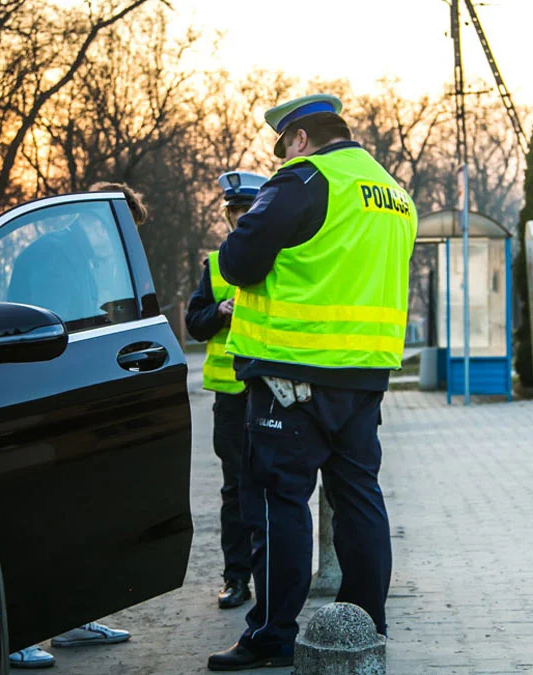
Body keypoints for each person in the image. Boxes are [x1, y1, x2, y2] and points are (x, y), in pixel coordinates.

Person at [207, 94, 417, 671]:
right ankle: (363, 626)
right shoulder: (393, 194)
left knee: (280, 504)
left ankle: (271, 638)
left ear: (299, 138)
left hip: (290, 375)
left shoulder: (301, 180)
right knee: (359, 499)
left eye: (282, 146)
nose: (279, 158)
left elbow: (237, 263)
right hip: (364, 376)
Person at [7, 181, 148, 670]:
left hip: (71, 398)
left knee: (75, 510)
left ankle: (72, 618)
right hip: (44, 400)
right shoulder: (51, 255)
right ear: (98, 219)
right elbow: (42, 334)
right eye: (119, 232)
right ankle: (20, 628)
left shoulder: (75, 257)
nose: (119, 246)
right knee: (38, 514)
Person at [184, 170, 268, 610]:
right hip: (230, 400)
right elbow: (194, 325)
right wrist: (218, 310)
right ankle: (236, 579)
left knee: (271, 489)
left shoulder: (281, 256)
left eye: (248, 210)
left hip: (271, 391)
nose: (240, 217)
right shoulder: (215, 265)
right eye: (235, 211)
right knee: (235, 491)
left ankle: (271, 578)